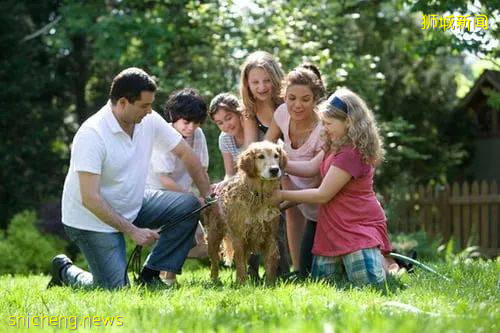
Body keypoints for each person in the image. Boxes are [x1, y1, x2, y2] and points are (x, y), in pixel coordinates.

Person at [48, 68, 211, 290]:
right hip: (91, 219)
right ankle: (64, 271)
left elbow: (186, 154)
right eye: (144, 105)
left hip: (132, 202)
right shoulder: (92, 135)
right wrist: (132, 231)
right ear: (123, 102)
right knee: (114, 289)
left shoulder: (148, 120)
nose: (150, 110)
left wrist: (209, 198)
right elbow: (90, 199)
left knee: (187, 205)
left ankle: (151, 275)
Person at [272, 87, 395, 286]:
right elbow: (311, 167)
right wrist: (277, 162)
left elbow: (323, 194)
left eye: (329, 123)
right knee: (324, 285)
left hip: (356, 226)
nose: (325, 128)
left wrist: (280, 195)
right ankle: (380, 261)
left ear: (348, 122)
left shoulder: (351, 153)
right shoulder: (334, 144)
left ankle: (389, 266)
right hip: (332, 227)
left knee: (367, 283)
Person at [265, 64, 326, 278]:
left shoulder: (324, 128)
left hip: (322, 201)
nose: (297, 105)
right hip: (293, 190)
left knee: (323, 270)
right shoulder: (282, 113)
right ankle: (298, 271)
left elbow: (313, 170)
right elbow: (267, 145)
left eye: (305, 99)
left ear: (316, 99)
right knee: (293, 221)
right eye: (291, 98)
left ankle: (391, 261)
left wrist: (279, 163)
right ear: (284, 96)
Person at [146, 88, 209, 260]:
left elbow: (201, 171)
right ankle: (163, 268)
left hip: (185, 199)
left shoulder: (198, 134)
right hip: (158, 199)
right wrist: (194, 199)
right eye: (187, 122)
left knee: (205, 247)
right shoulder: (163, 135)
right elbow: (164, 180)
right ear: (174, 116)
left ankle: (161, 261)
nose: (191, 128)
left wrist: (209, 199)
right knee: (180, 239)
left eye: (196, 123)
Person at [239, 51, 284, 146]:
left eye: (267, 80)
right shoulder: (250, 109)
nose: (262, 87)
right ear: (247, 83)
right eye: (255, 82)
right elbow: (250, 146)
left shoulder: (287, 101)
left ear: (275, 79)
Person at [208, 93, 244, 178]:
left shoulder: (252, 130)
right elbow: (229, 173)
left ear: (239, 113)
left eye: (228, 118)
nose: (226, 125)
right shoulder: (225, 138)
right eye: (220, 123)